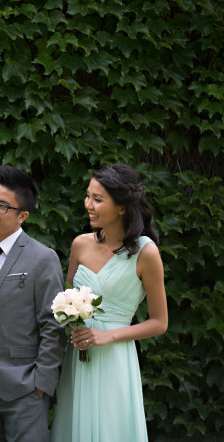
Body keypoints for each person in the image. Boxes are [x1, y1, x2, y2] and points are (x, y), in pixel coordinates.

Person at [51, 163, 167, 441]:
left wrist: (108, 335)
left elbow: (160, 322)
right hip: (78, 356)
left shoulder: (146, 253)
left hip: (115, 357)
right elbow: (66, 298)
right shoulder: (80, 244)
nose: (88, 204)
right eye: (88, 196)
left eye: (97, 199)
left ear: (122, 207)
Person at [0, 164, 64, 442]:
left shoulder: (42, 258)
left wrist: (41, 384)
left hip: (25, 389)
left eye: (1, 206)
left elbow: (52, 325)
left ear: (23, 215)